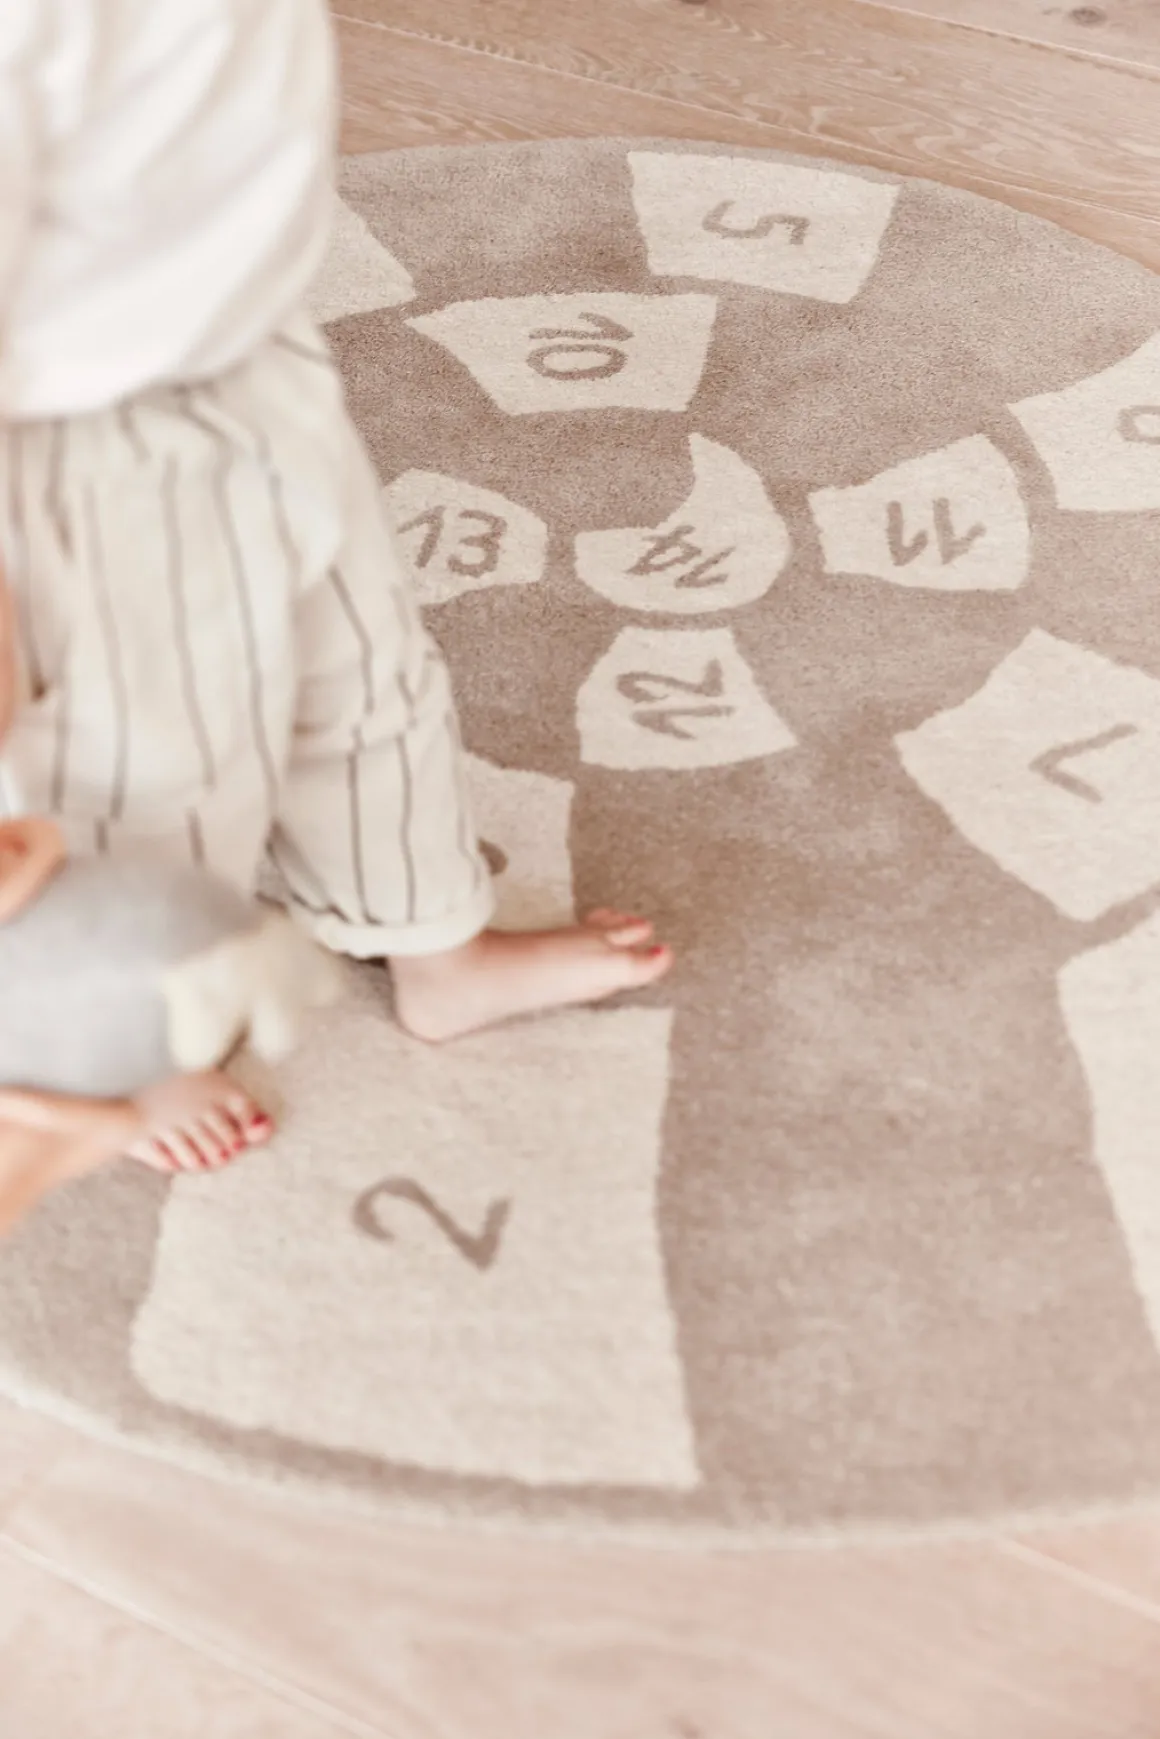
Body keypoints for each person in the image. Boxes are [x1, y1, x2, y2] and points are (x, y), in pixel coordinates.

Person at [0, 0, 671, 1229]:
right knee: (158, 794)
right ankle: (132, 1044)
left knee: (366, 683)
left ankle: (439, 950)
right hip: (78, 458)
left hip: (239, 355)